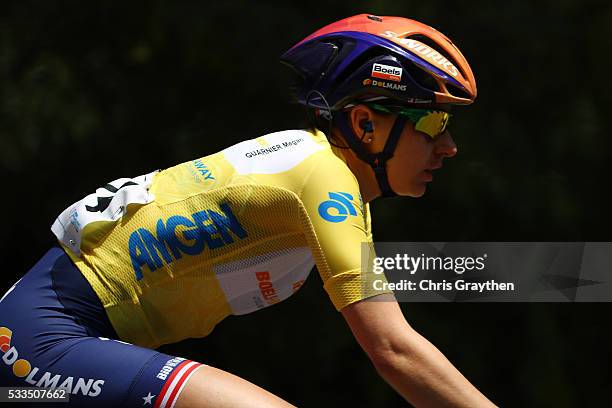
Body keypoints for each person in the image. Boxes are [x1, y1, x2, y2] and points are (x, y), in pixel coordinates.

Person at [0, 14, 495, 407]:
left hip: (53, 335)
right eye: (432, 121)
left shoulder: (315, 170)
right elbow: (393, 350)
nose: (448, 146)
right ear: (365, 124)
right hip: (44, 339)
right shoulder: (323, 178)